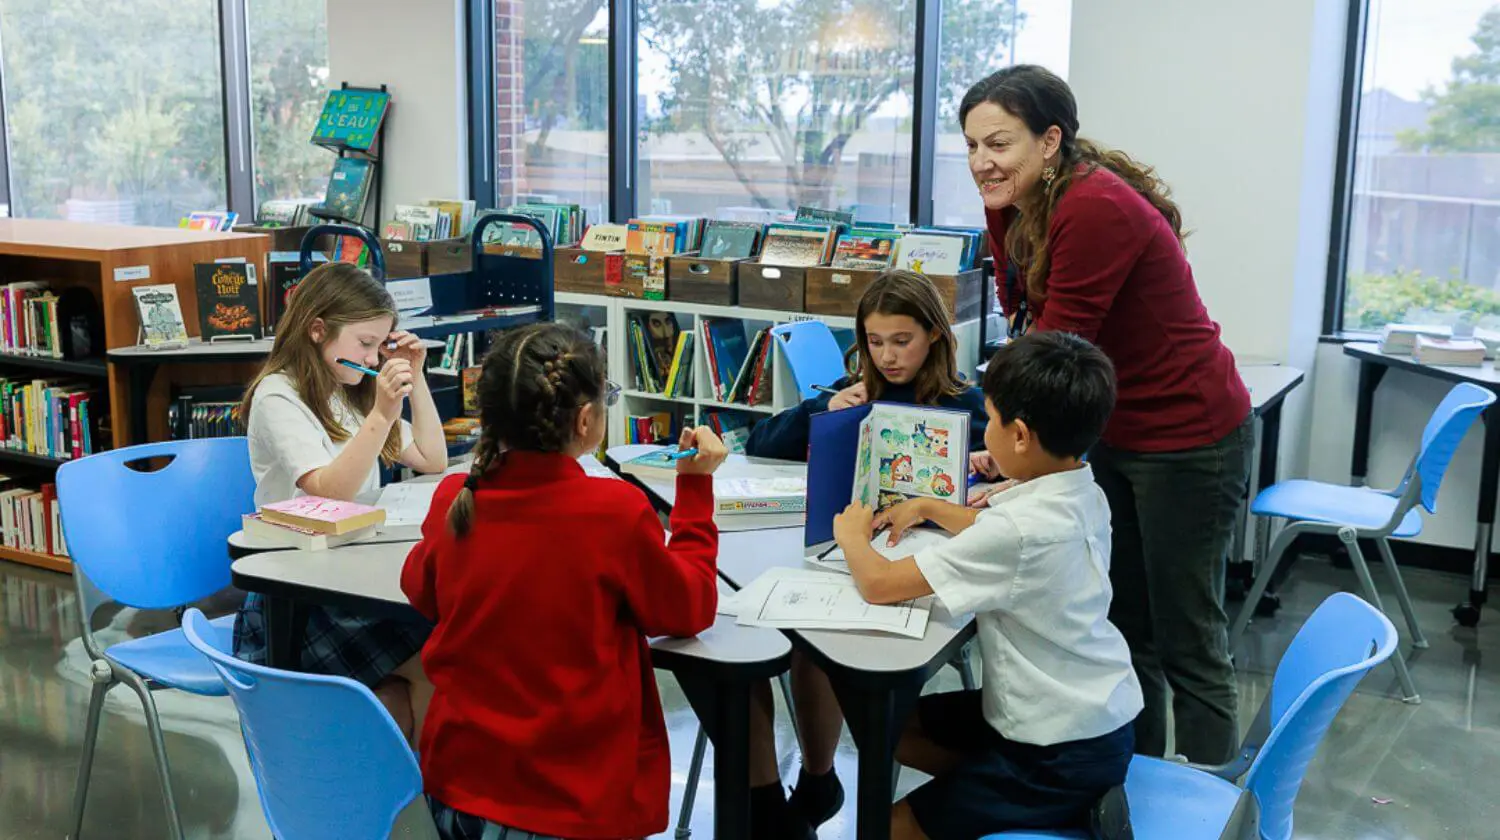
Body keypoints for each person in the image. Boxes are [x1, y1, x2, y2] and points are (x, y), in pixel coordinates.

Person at [961, 64, 1252, 764]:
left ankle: (1215, 802)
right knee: (1124, 625)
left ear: (1050, 140)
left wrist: (1013, 455)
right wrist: (1011, 447)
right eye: (970, 146)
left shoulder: (1095, 207)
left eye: (998, 143)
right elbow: (1024, 323)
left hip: (1189, 436)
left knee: (1189, 638)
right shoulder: (1012, 204)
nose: (981, 163)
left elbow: (1058, 350)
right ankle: (1136, 790)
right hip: (1116, 431)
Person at [401, 322, 728, 840]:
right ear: (584, 419)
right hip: (570, 800)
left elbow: (421, 589)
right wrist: (693, 492)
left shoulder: (456, 499)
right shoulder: (613, 514)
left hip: (458, 789)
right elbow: (688, 608)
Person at [832, 332, 1142, 839]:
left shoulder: (1019, 531)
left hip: (1054, 750)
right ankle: (991, 799)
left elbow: (880, 583)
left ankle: (1032, 806)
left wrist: (850, 536)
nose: (987, 433)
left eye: (991, 420)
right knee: (897, 727)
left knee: (891, 827)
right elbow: (1002, 535)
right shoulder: (1083, 490)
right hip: (1094, 716)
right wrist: (929, 506)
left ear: (1019, 435)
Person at [743, 269, 989, 837]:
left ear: (934, 335)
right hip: (844, 560)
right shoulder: (852, 393)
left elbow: (1007, 484)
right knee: (809, 645)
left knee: (866, 665)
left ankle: (849, 774)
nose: (887, 357)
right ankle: (818, 774)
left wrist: (986, 467)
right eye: (874, 343)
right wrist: (822, 409)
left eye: (901, 341)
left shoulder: (971, 408)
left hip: (924, 576)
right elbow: (760, 447)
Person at [233, 262, 449, 741]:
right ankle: (430, 804)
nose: (373, 358)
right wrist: (381, 414)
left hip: (351, 573)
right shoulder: (279, 396)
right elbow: (330, 492)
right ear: (317, 330)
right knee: (438, 663)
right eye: (365, 345)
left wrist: (418, 379)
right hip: (297, 593)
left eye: (381, 345)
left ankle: (421, 796)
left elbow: (432, 458)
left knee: (443, 649)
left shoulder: (350, 390)